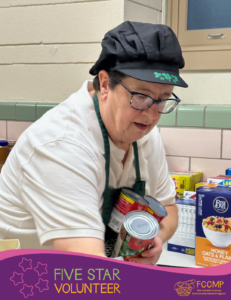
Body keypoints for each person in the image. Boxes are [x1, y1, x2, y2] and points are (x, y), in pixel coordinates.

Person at [0, 21, 188, 265]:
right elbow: (88, 266)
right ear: (105, 84)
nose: (152, 115)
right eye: (141, 96)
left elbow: (168, 207)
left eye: (163, 99)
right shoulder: (60, 144)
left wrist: (155, 240)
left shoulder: (143, 134)